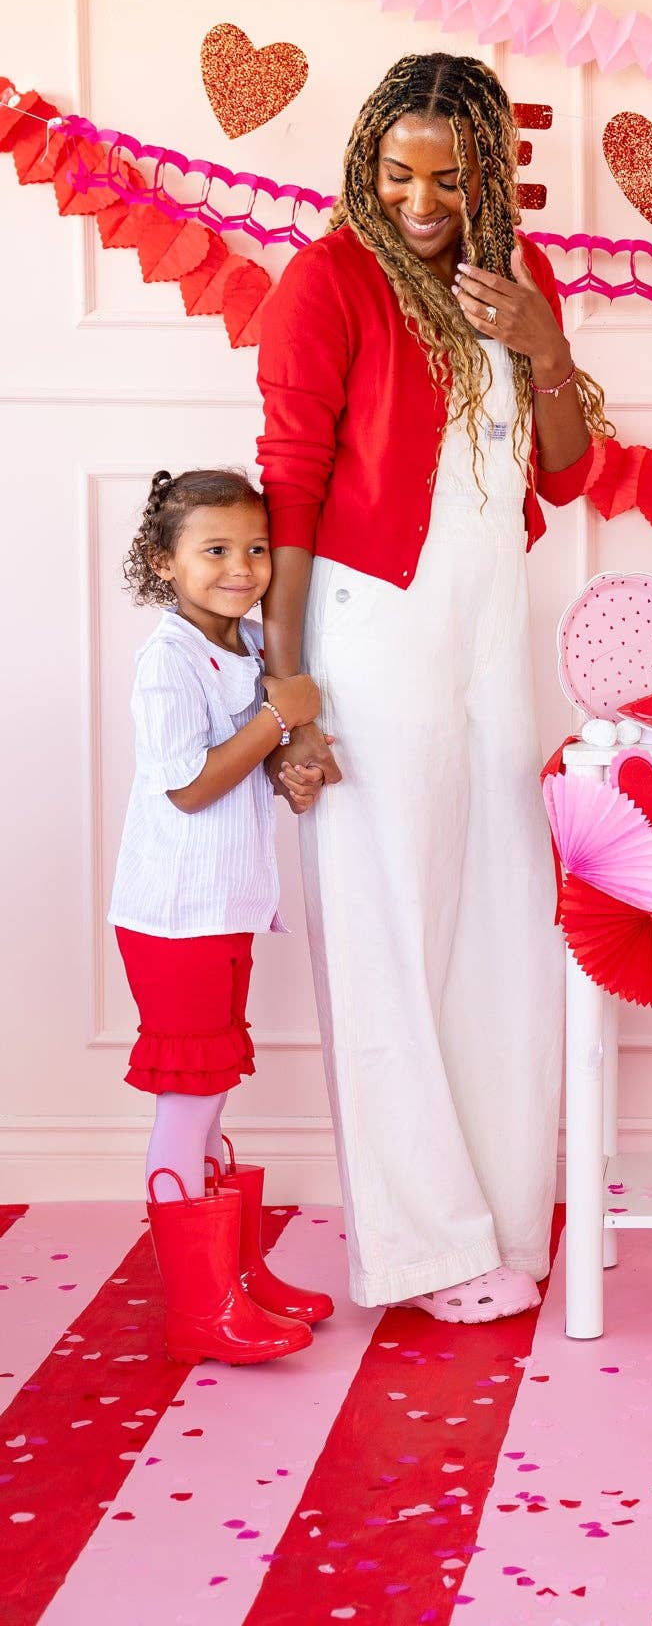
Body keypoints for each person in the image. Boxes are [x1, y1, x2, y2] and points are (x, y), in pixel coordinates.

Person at [256, 51, 609, 1320]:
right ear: (368, 163)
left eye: (449, 178)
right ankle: (425, 1250)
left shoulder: (517, 274)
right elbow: (291, 483)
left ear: (490, 174)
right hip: (373, 626)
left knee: (508, 912)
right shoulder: (330, 278)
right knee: (389, 923)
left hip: (489, 622)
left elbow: (564, 474)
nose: (420, 200)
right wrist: (287, 686)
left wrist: (543, 339)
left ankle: (504, 1214)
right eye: (399, 174)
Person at [111, 467, 334, 1365]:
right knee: (189, 1100)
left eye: (255, 549)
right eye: (214, 550)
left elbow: (241, 768)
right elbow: (191, 787)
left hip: (221, 912)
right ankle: (200, 1308)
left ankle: (234, 1276)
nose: (241, 568)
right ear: (164, 563)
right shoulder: (167, 661)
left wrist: (288, 768)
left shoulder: (240, 646)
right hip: (175, 917)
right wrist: (279, 719)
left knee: (210, 1100)